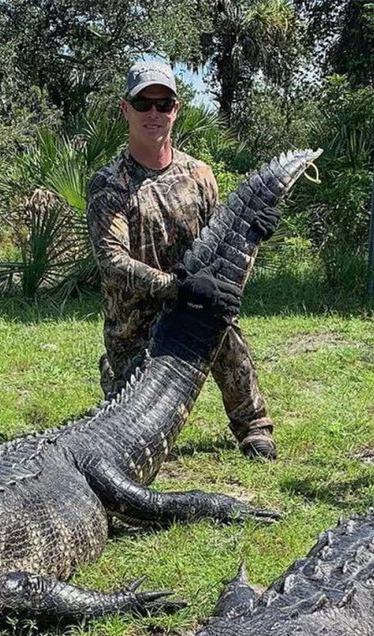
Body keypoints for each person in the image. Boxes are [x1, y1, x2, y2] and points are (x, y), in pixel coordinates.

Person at [86, 57, 278, 460]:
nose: (153, 114)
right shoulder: (109, 184)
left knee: (226, 331)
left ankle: (253, 427)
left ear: (176, 110)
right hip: (134, 325)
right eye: (144, 104)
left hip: (196, 305)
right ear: (126, 109)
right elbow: (111, 260)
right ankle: (114, 385)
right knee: (127, 436)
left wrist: (254, 232)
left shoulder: (200, 175)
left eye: (164, 104)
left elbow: (222, 243)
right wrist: (174, 286)